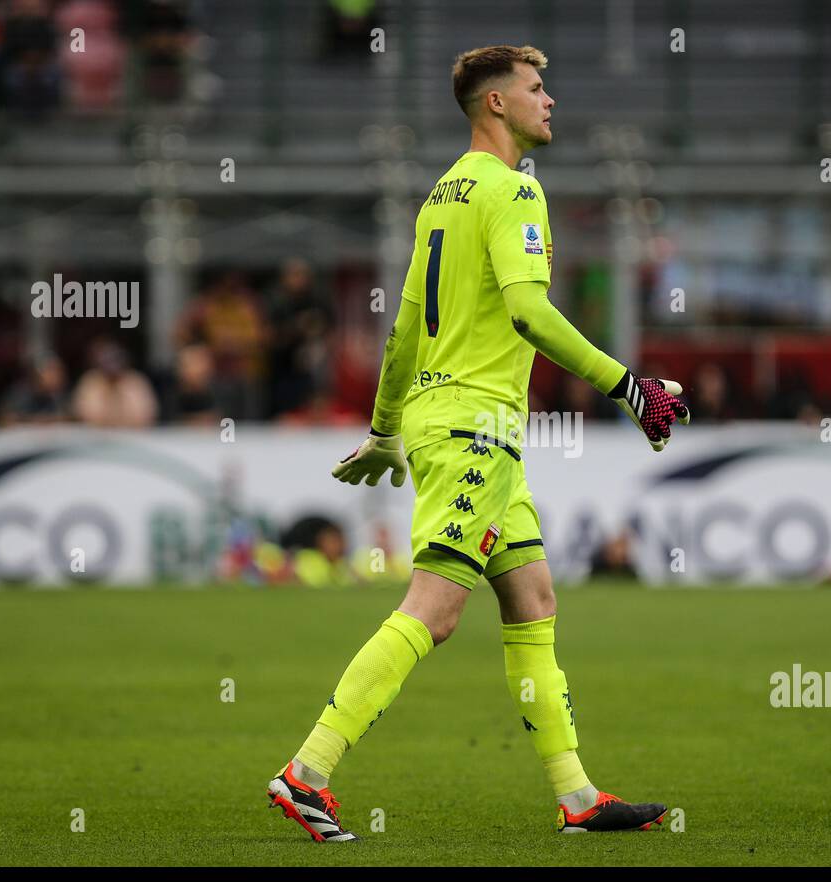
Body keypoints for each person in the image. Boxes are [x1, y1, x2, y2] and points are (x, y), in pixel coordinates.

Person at [266, 45, 691, 842]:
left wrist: (386, 428)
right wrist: (629, 386)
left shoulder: (441, 195)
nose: (551, 100)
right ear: (495, 104)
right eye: (536, 88)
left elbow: (401, 330)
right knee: (434, 610)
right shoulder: (512, 191)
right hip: (474, 428)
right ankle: (306, 772)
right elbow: (529, 312)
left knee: (532, 600)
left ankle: (576, 797)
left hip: (455, 421)